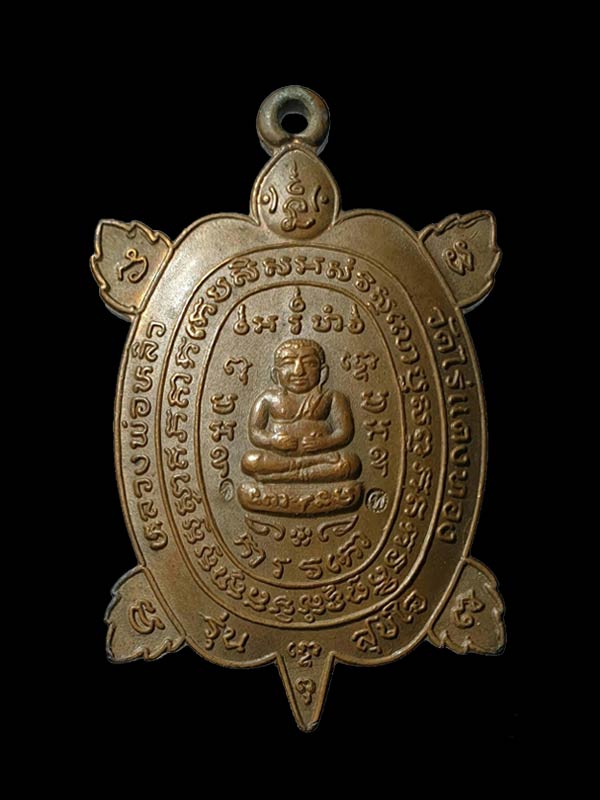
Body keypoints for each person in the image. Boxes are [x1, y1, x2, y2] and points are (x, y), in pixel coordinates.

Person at [241, 339, 361, 483]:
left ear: (322, 371)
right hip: (281, 458)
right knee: (250, 461)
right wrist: (273, 440)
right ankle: (300, 469)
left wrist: (324, 442)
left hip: (320, 455)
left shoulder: (331, 397)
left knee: (350, 462)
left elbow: (344, 432)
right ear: (276, 374)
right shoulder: (268, 398)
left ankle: (284, 476)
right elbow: (255, 432)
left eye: (310, 363)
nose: (299, 371)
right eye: (288, 363)